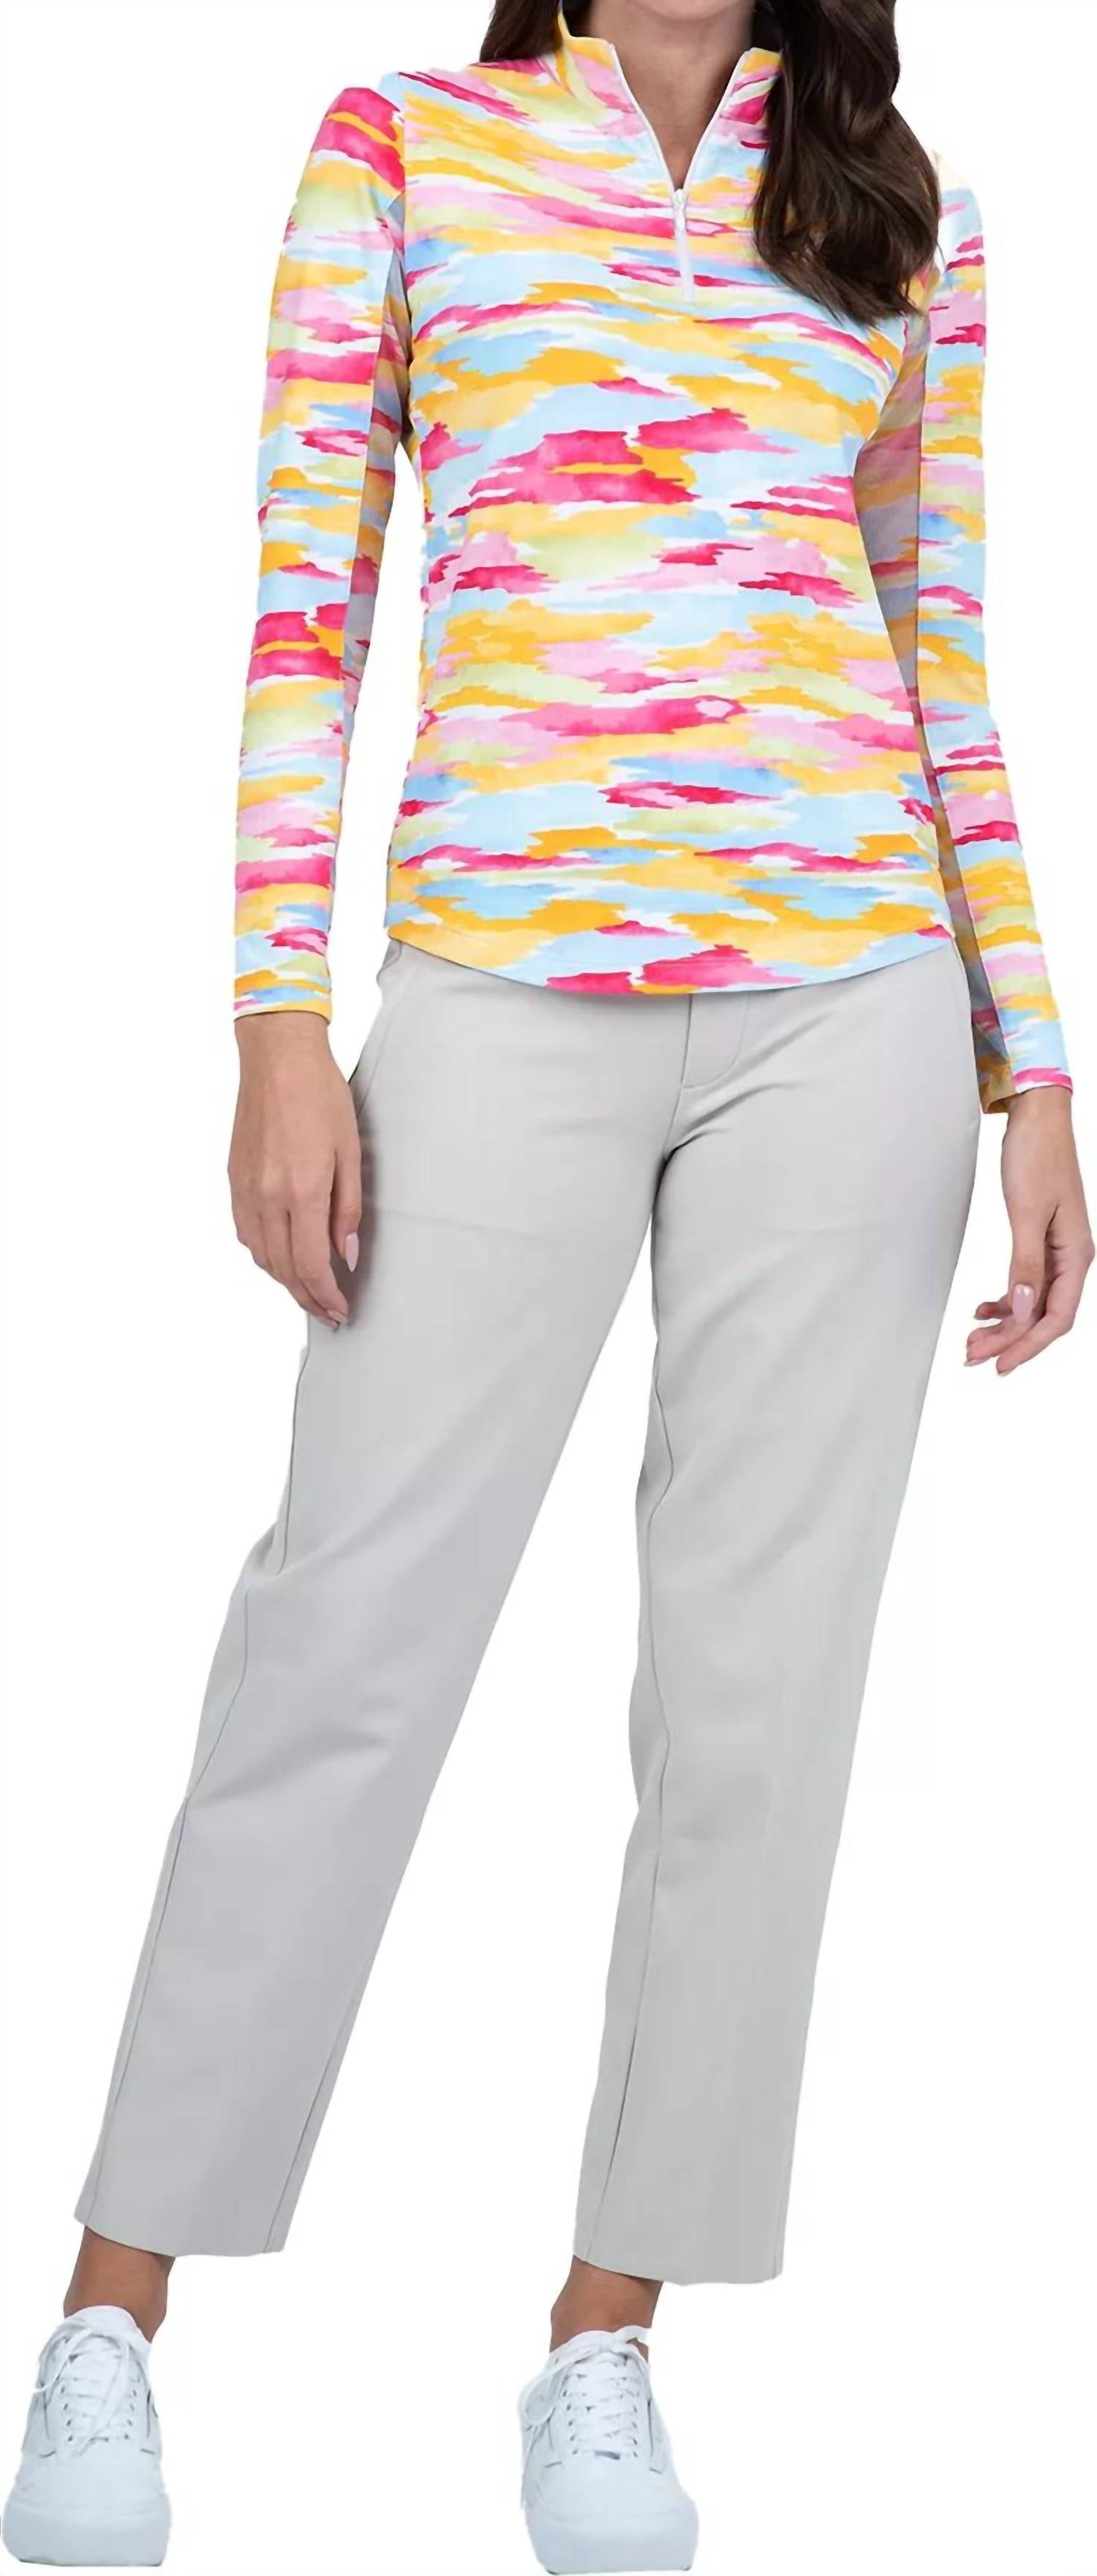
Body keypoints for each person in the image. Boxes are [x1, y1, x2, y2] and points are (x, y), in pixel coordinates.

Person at [3, 1, 1091, 2569]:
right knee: (341, 1635)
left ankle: (607, 2338)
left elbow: (934, 638)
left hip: (849, 1006)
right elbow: (308, 602)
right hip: (500, 976)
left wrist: (1027, 1054)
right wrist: (278, 1020)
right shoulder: (408, 148)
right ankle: (112, 2306)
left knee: (757, 1697)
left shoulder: (896, 205)